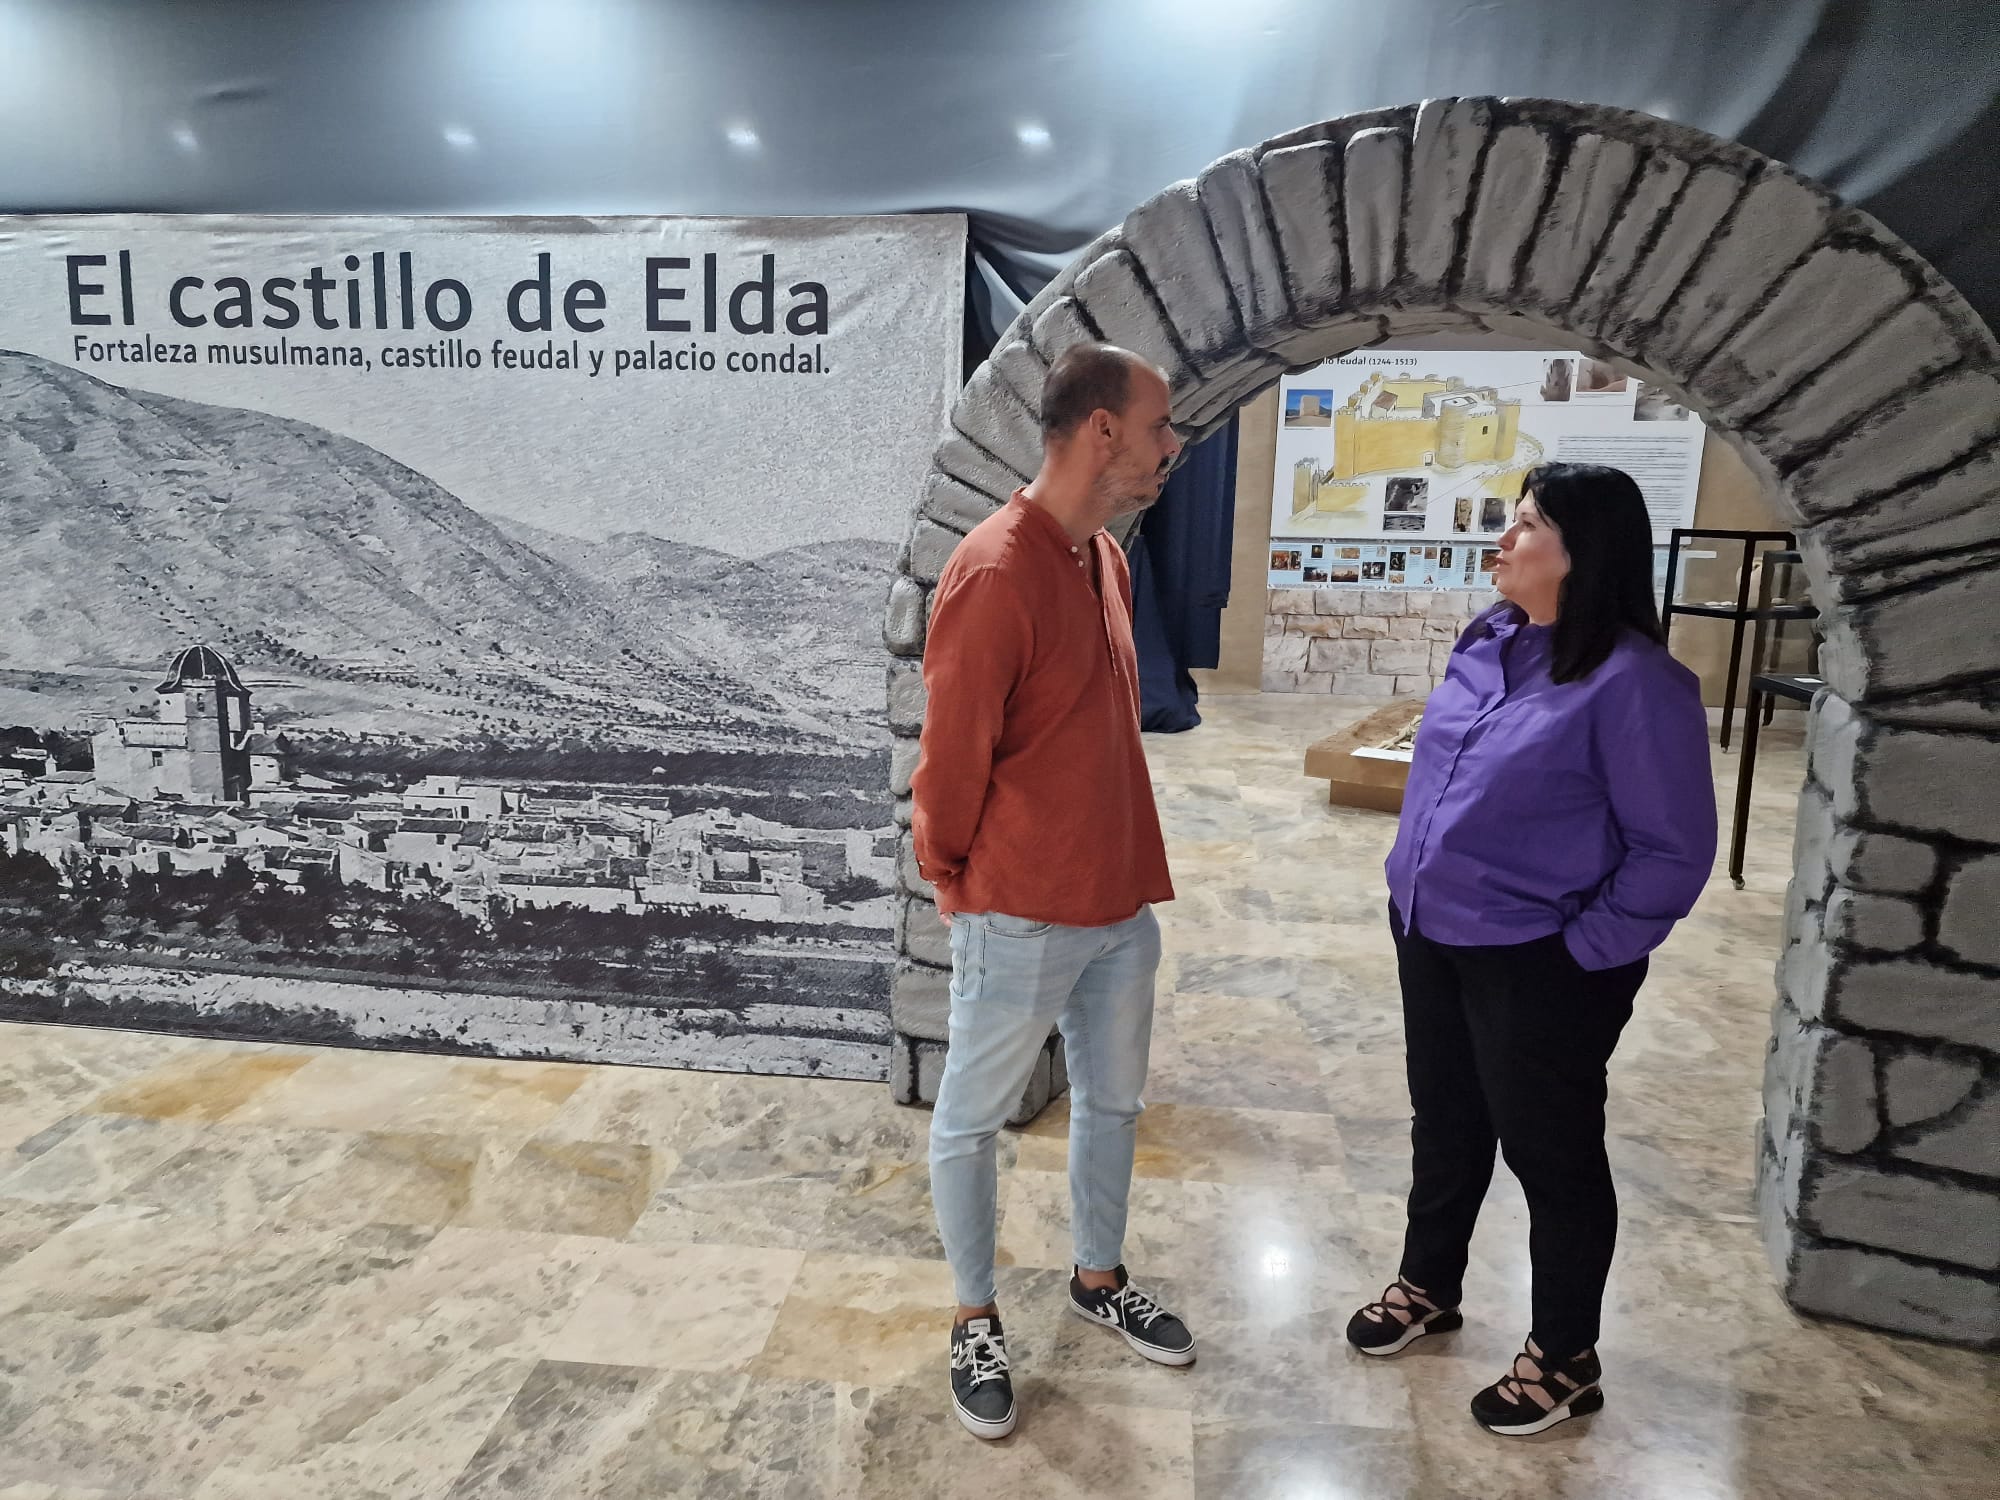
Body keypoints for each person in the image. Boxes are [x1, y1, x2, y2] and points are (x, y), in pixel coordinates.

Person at [1347, 462, 1716, 1436]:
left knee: (1550, 1154)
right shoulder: (1489, 640)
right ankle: (1428, 1284)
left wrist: (1581, 952)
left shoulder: (1636, 684)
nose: (1501, 541)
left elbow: (1673, 851)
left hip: (1538, 957)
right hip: (1431, 931)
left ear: (1580, 553)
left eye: (1524, 526)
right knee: (1446, 1120)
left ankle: (1564, 1357)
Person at [913, 342, 1195, 1441]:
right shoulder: (993, 568)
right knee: (970, 1119)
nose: (1171, 445)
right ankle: (974, 1314)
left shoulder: (1105, 559)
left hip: (1117, 905)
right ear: (1102, 430)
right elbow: (950, 757)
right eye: (1158, 425)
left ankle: (1096, 1276)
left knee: (1113, 1103)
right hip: (1019, 909)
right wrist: (953, 877)